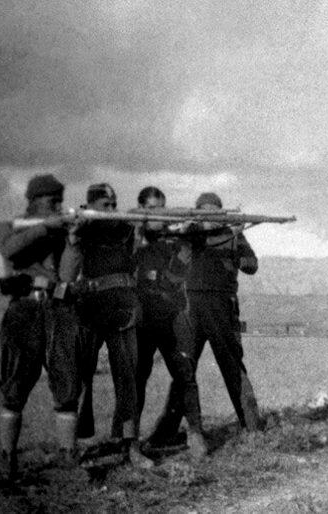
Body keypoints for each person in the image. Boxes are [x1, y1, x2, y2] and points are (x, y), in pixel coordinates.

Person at [0, 174, 82, 477]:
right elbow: (10, 250)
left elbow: (68, 275)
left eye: (59, 199)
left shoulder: (59, 232)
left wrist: (72, 242)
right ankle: (8, 457)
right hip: (24, 309)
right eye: (51, 200)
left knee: (67, 381)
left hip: (57, 307)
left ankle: (67, 456)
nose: (58, 205)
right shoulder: (9, 226)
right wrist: (46, 227)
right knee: (15, 385)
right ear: (33, 201)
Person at [60, 183, 153, 469]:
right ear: (92, 206)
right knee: (79, 376)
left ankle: (130, 445)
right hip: (89, 310)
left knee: (128, 378)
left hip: (122, 308)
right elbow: (67, 273)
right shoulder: (82, 230)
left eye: (114, 205)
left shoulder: (126, 229)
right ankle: (70, 447)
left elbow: (139, 259)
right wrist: (74, 239)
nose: (111, 210)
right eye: (106, 206)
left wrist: (141, 233)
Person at [171, 192, 261, 432]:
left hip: (222, 306)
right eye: (205, 212)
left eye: (214, 212)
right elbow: (175, 268)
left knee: (232, 365)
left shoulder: (233, 235)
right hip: (190, 307)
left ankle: (252, 427)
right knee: (183, 368)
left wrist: (235, 246)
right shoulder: (189, 235)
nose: (210, 217)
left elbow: (252, 265)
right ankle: (168, 431)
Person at [132, 186, 208, 459]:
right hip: (142, 317)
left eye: (163, 210)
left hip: (172, 315)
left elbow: (176, 277)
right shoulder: (132, 241)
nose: (159, 217)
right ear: (141, 210)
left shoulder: (176, 242)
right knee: (136, 379)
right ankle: (131, 445)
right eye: (153, 210)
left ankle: (196, 435)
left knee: (185, 373)